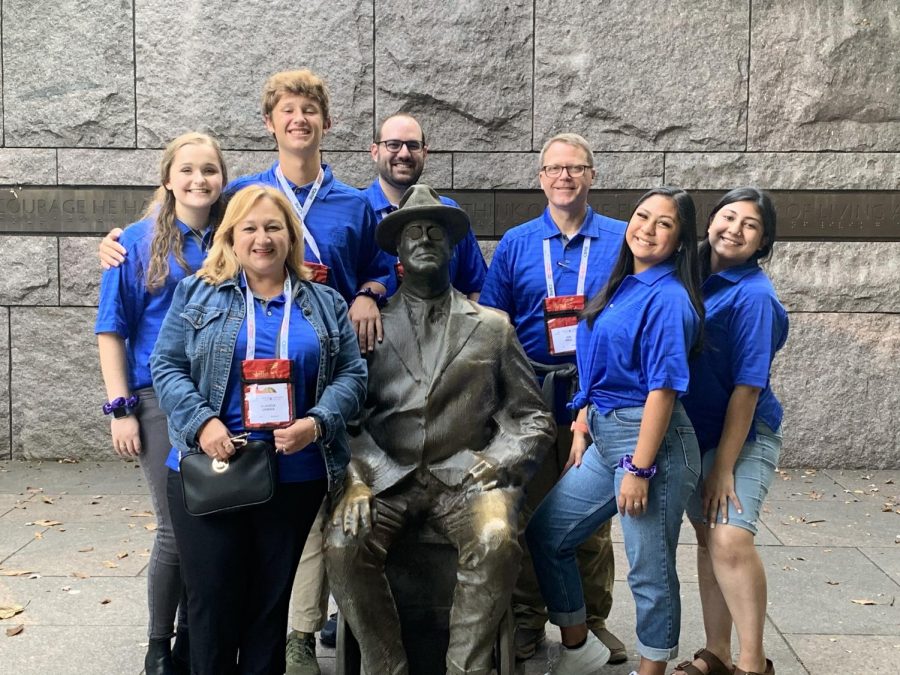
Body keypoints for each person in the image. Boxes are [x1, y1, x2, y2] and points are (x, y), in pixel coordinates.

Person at [323, 184, 555, 675]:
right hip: (387, 477)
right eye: (414, 234)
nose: (425, 240)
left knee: (496, 537)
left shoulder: (493, 327)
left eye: (436, 233)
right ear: (398, 253)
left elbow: (532, 416)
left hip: (468, 476)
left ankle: (464, 668)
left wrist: (502, 459)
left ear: (452, 247)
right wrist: (359, 480)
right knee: (343, 546)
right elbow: (345, 417)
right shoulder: (368, 327)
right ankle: (387, 666)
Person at [149, 185, 367, 675]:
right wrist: (202, 423)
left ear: (291, 236)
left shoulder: (324, 302)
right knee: (212, 606)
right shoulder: (198, 292)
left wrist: (317, 423)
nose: (262, 238)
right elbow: (165, 364)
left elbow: (354, 375)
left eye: (273, 227)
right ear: (230, 236)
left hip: (295, 474)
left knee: (270, 609)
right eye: (249, 227)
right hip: (212, 468)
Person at [526, 187, 705, 675]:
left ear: (681, 240)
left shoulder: (669, 298)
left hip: (652, 446)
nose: (646, 228)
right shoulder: (626, 282)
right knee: (547, 533)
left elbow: (662, 390)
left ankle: (651, 670)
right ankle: (580, 646)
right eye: (642, 216)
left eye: (663, 223)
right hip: (606, 434)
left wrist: (640, 468)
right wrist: (582, 420)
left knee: (649, 568)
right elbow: (597, 359)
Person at [479, 132, 626, 663]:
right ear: (540, 177)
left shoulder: (622, 238)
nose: (564, 177)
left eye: (576, 168)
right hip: (529, 392)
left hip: (597, 394)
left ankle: (590, 618)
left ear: (592, 175)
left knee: (589, 517)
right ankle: (526, 617)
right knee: (524, 510)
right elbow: (493, 323)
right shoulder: (518, 243)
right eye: (554, 168)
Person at [95, 131, 227, 675]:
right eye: (188, 170)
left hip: (221, 398)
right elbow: (111, 329)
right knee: (176, 526)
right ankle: (158, 645)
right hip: (156, 398)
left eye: (210, 171)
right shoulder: (135, 243)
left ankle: (200, 636)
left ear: (224, 179)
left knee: (213, 517)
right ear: (168, 178)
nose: (199, 180)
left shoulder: (232, 234)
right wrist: (120, 406)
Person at [674, 188, 787, 675]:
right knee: (707, 539)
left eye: (751, 225)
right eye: (728, 216)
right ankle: (716, 652)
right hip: (689, 433)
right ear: (710, 221)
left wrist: (722, 469)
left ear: (763, 242)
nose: (735, 229)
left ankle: (751, 662)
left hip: (742, 435)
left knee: (730, 540)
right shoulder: (688, 275)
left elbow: (747, 389)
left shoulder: (755, 296)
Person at [364, 113, 487, 299]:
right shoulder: (356, 211)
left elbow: (476, 287)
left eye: (413, 145)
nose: (404, 154)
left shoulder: (448, 213)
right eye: (393, 144)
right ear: (375, 151)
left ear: (425, 153)